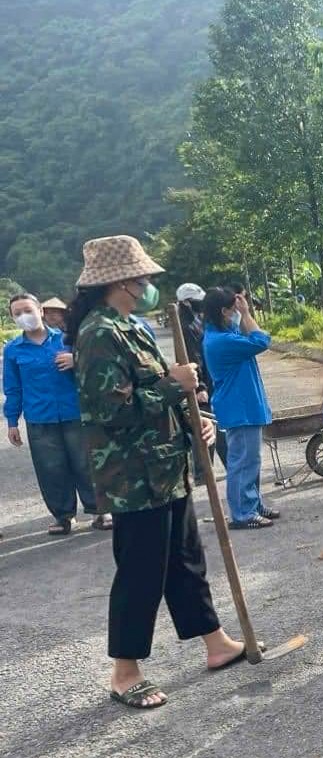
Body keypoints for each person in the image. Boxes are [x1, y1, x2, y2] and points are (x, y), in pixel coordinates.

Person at [65, 235, 245, 710]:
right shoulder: (99, 333)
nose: (148, 285)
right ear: (122, 282)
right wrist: (174, 386)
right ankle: (125, 672)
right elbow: (112, 411)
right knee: (142, 571)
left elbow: (167, 390)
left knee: (186, 559)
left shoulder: (134, 326)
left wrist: (196, 421)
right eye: (143, 278)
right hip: (134, 479)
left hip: (168, 466)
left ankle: (215, 641)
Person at [4, 293, 112, 533]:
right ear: (12, 319)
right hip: (39, 418)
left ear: (40, 311)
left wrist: (77, 361)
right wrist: (12, 422)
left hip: (75, 412)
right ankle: (63, 516)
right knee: (51, 469)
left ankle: (99, 510)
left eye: (27, 310)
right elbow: (13, 389)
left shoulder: (67, 340)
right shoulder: (13, 350)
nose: (24, 316)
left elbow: (96, 368)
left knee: (86, 463)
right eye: (17, 313)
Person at [203, 287, 277, 530]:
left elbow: (244, 333)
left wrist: (241, 314)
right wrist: (246, 314)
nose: (237, 314)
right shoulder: (222, 342)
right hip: (239, 408)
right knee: (243, 462)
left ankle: (252, 504)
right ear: (223, 311)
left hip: (242, 406)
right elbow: (261, 340)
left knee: (249, 461)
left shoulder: (222, 334)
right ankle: (243, 513)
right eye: (233, 310)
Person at [176, 282, 228, 475]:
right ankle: (203, 470)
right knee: (207, 425)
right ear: (187, 303)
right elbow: (192, 358)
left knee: (215, 424)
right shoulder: (185, 325)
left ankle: (213, 467)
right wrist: (201, 387)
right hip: (200, 384)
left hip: (207, 378)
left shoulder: (196, 321)